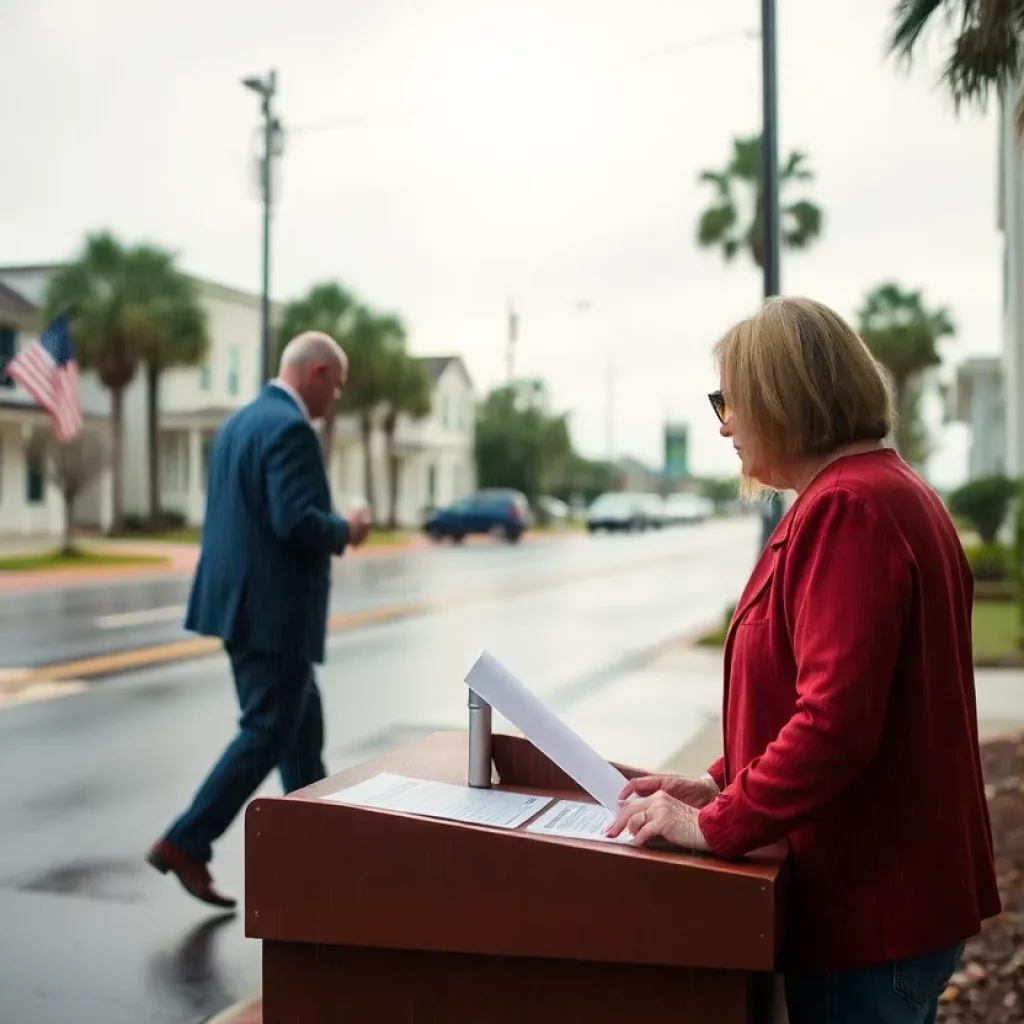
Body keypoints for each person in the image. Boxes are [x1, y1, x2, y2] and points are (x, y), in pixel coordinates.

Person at [606, 297, 1000, 1024]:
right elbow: (832, 697)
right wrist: (715, 784)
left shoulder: (851, 508)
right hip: (886, 901)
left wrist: (716, 826)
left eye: (730, 399)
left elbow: (834, 724)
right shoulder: (883, 493)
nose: (722, 424)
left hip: (866, 909)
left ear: (782, 394)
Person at [147, 331, 371, 908]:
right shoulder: (290, 428)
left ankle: (316, 856)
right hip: (272, 614)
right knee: (269, 729)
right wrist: (347, 529)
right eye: (337, 386)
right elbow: (294, 520)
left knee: (301, 736)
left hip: (242, 606)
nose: (335, 400)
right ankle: (186, 840)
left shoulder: (241, 422)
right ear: (317, 372)